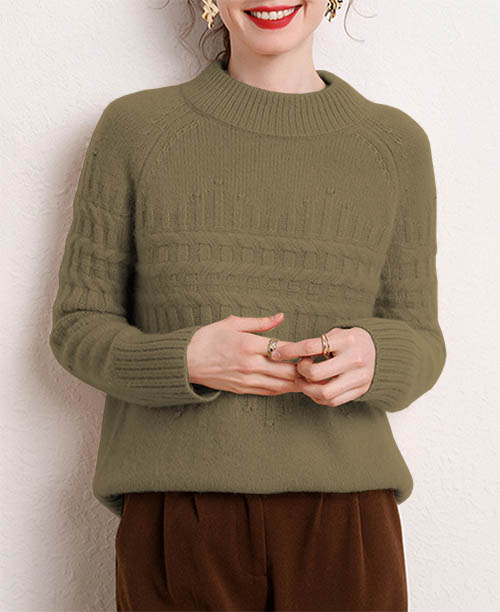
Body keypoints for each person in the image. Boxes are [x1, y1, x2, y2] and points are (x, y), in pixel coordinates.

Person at [48, 0, 447, 610]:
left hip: (346, 522)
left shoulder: (395, 146)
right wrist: (185, 360)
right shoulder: (135, 130)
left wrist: (375, 356)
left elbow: (421, 339)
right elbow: (78, 327)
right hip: (179, 520)